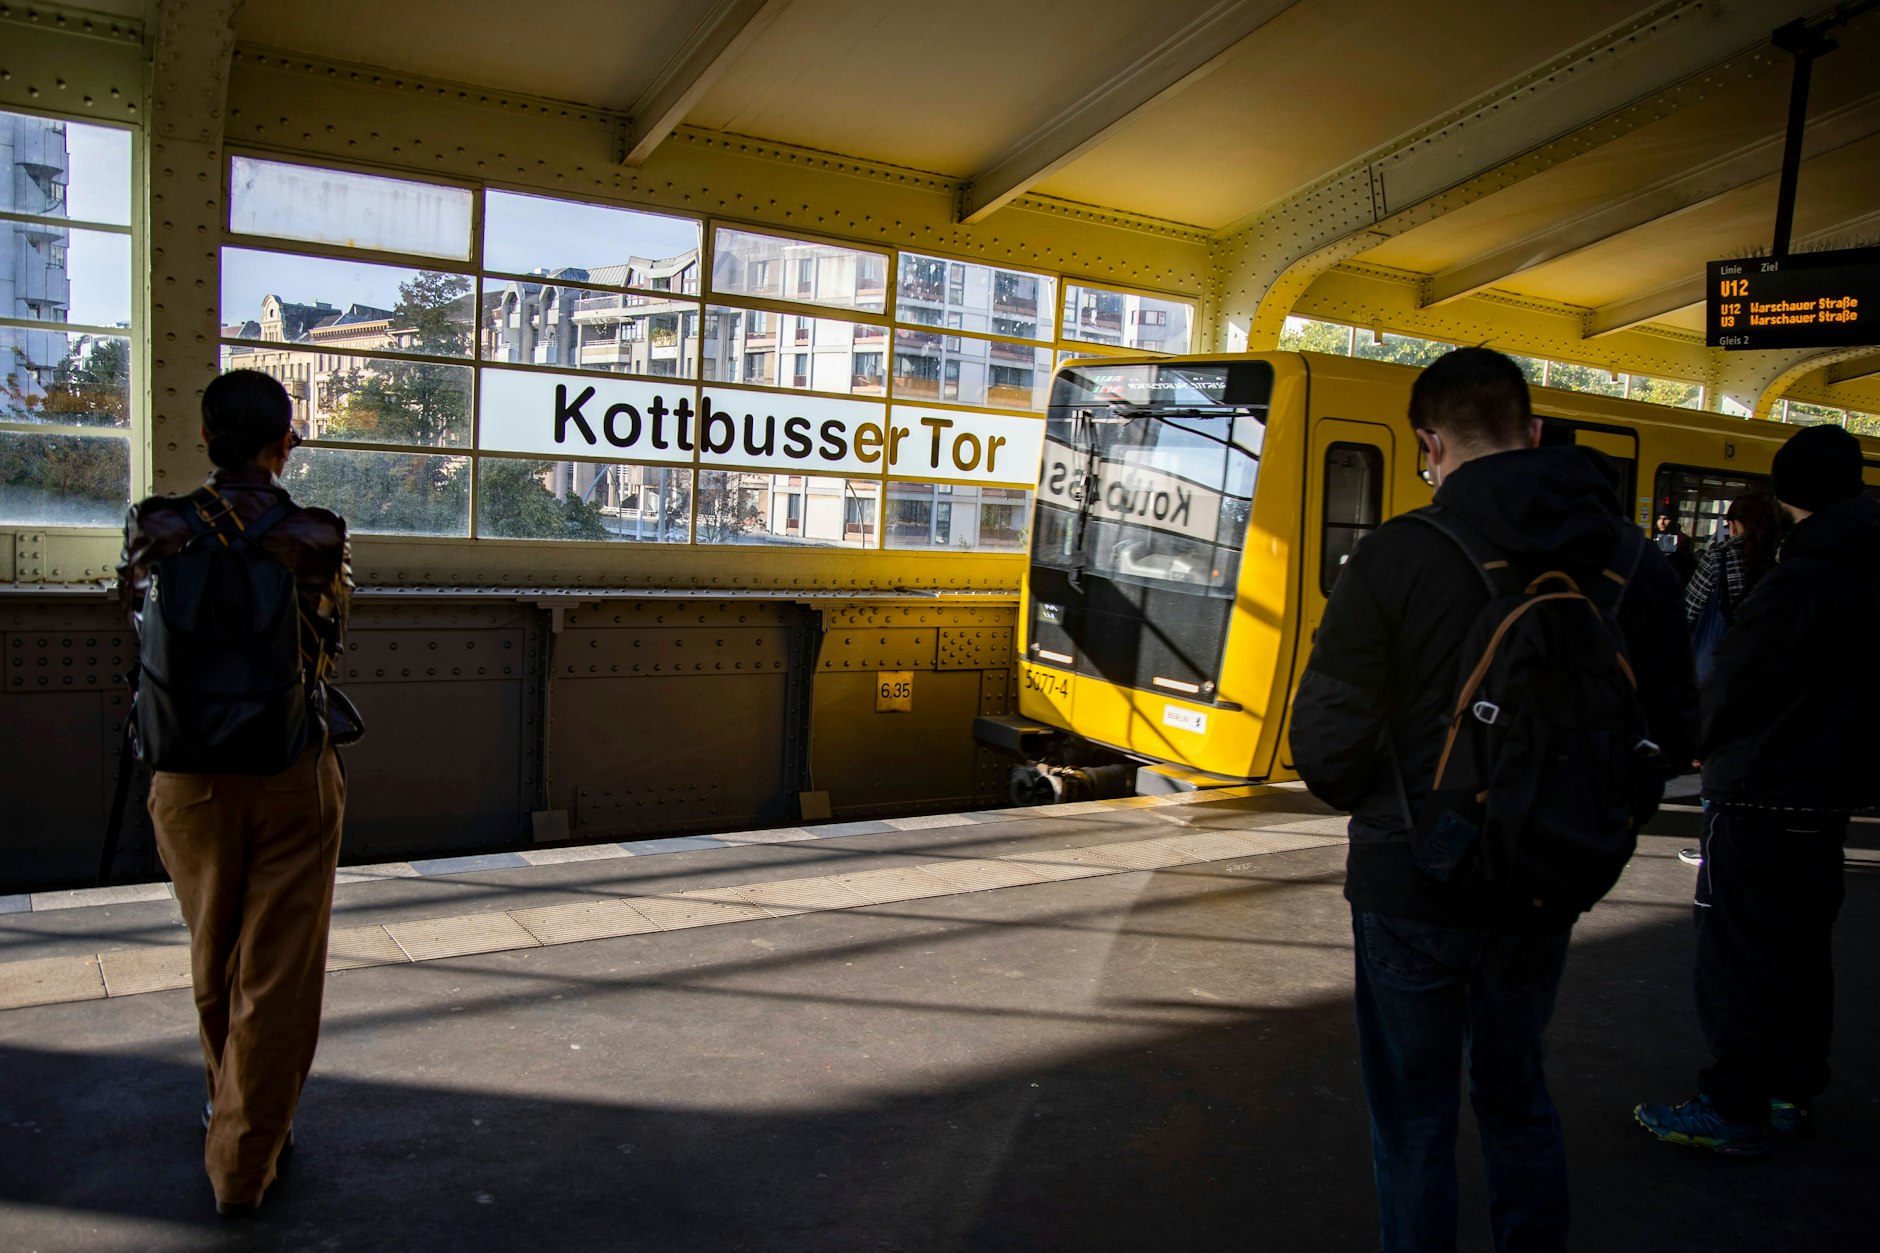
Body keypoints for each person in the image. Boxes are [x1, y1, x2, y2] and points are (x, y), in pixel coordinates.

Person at [1290, 348, 1696, 1253]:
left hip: (1411, 881)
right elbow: (1672, 729)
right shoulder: (1634, 563)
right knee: (1516, 1094)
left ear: (1431, 443)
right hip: (1549, 874)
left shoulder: (1398, 552)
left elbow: (1322, 747)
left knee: (1415, 1119)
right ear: (1535, 430)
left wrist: (1407, 802)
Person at [117, 370, 352, 1216]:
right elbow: (328, 638)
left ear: (208, 438)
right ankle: (243, 1165)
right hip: (290, 769)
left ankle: (230, 1109)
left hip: (185, 777)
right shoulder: (315, 533)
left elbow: (134, 623)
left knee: (213, 956)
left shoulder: (157, 525)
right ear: (282, 440)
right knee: (278, 971)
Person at [1635, 423, 1880, 1155]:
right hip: (1830, 797)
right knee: (1804, 952)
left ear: (1787, 492)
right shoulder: (1869, 573)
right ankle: (1787, 1095)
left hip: (1759, 794)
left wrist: (1680, 749)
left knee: (1739, 954)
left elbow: (1732, 685)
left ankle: (1731, 1102)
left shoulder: (1798, 580)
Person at [1654, 512, 1696, 584]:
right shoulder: (1652, 536)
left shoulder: (1682, 540)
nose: (1662, 522)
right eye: (1659, 519)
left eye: (1666, 519)